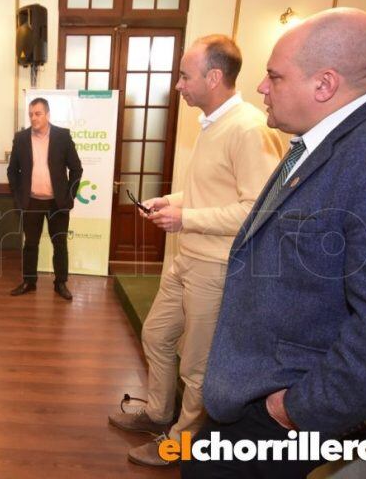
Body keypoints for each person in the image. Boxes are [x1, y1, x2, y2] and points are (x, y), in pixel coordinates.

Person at [183, 8, 366, 478]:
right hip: (256, 390)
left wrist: (297, 409)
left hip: (286, 408)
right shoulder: (318, 141)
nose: (261, 86)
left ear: (323, 85)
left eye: (274, 76)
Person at [109, 35, 285, 466]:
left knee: (197, 367)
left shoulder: (248, 128)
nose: (178, 85)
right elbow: (212, 190)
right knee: (156, 335)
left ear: (214, 76)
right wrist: (173, 200)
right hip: (188, 260)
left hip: (217, 266)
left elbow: (255, 210)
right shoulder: (212, 124)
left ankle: (181, 444)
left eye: (185, 76)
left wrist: (186, 218)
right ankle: (157, 412)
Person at [7, 98, 83, 301]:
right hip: (31, 201)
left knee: (59, 243)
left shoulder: (62, 136)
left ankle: (60, 283)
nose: (33, 117)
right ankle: (29, 282)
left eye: (38, 113)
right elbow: (12, 171)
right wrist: (18, 196)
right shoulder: (21, 138)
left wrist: (70, 195)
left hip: (57, 202)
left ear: (48, 115)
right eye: (31, 114)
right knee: (30, 244)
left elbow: (76, 168)